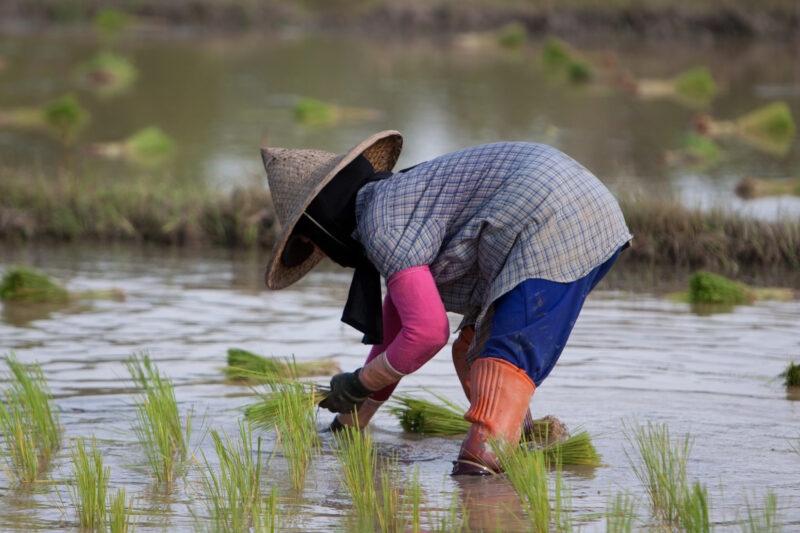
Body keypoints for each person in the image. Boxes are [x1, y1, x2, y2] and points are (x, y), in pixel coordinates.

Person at [261, 130, 631, 475]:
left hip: (551, 219)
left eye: (318, 245)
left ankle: (487, 469)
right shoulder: (401, 202)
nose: (327, 255)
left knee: (494, 394)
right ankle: (530, 442)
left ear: (325, 223)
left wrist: (358, 382)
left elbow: (425, 334)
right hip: (590, 215)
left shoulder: (383, 226)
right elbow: (396, 335)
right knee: (471, 349)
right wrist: (349, 421)